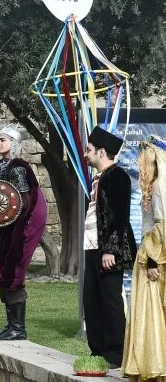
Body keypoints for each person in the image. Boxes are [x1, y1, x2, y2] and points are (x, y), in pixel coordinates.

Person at [0, 125, 47, 340]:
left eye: (3, 139)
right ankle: (11, 324)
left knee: (12, 272)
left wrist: (6, 224)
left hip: (18, 227)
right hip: (6, 227)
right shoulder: (3, 165)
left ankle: (18, 328)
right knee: (1, 270)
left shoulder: (18, 167)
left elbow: (20, 201)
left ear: (14, 143)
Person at [83, 126, 135, 368]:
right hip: (93, 248)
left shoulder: (118, 176)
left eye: (89, 150)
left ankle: (115, 352)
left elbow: (119, 216)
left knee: (110, 300)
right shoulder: (97, 179)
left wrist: (110, 250)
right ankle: (98, 351)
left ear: (102, 152)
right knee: (92, 300)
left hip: (108, 250)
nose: (85, 154)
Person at [123, 137, 166, 382]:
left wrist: (151, 259)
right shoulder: (155, 187)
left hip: (152, 257)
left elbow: (161, 226)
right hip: (152, 254)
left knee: (150, 313)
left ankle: (154, 369)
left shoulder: (158, 188)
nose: (139, 162)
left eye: (142, 157)